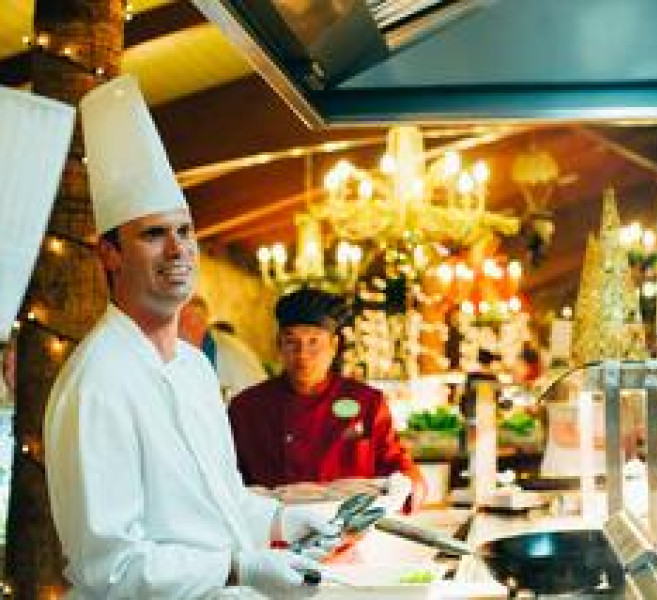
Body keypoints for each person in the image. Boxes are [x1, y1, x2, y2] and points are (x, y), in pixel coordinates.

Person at [44, 75, 337, 599]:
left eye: (185, 231)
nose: (178, 251)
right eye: (153, 234)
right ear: (109, 255)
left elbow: (220, 504)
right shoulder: (97, 383)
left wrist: (281, 521)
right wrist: (238, 570)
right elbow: (111, 570)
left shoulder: (195, 367)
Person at [228, 287, 426, 512]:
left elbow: (396, 464)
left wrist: (412, 484)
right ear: (279, 345)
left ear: (334, 345)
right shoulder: (247, 408)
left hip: (348, 527)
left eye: (313, 342)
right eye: (291, 342)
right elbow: (226, 477)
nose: (302, 354)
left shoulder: (367, 402)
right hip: (274, 527)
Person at [179, 295, 267, 401]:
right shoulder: (181, 352)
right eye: (180, 323)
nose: (185, 331)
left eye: (194, 322)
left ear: (204, 323)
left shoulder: (230, 353)